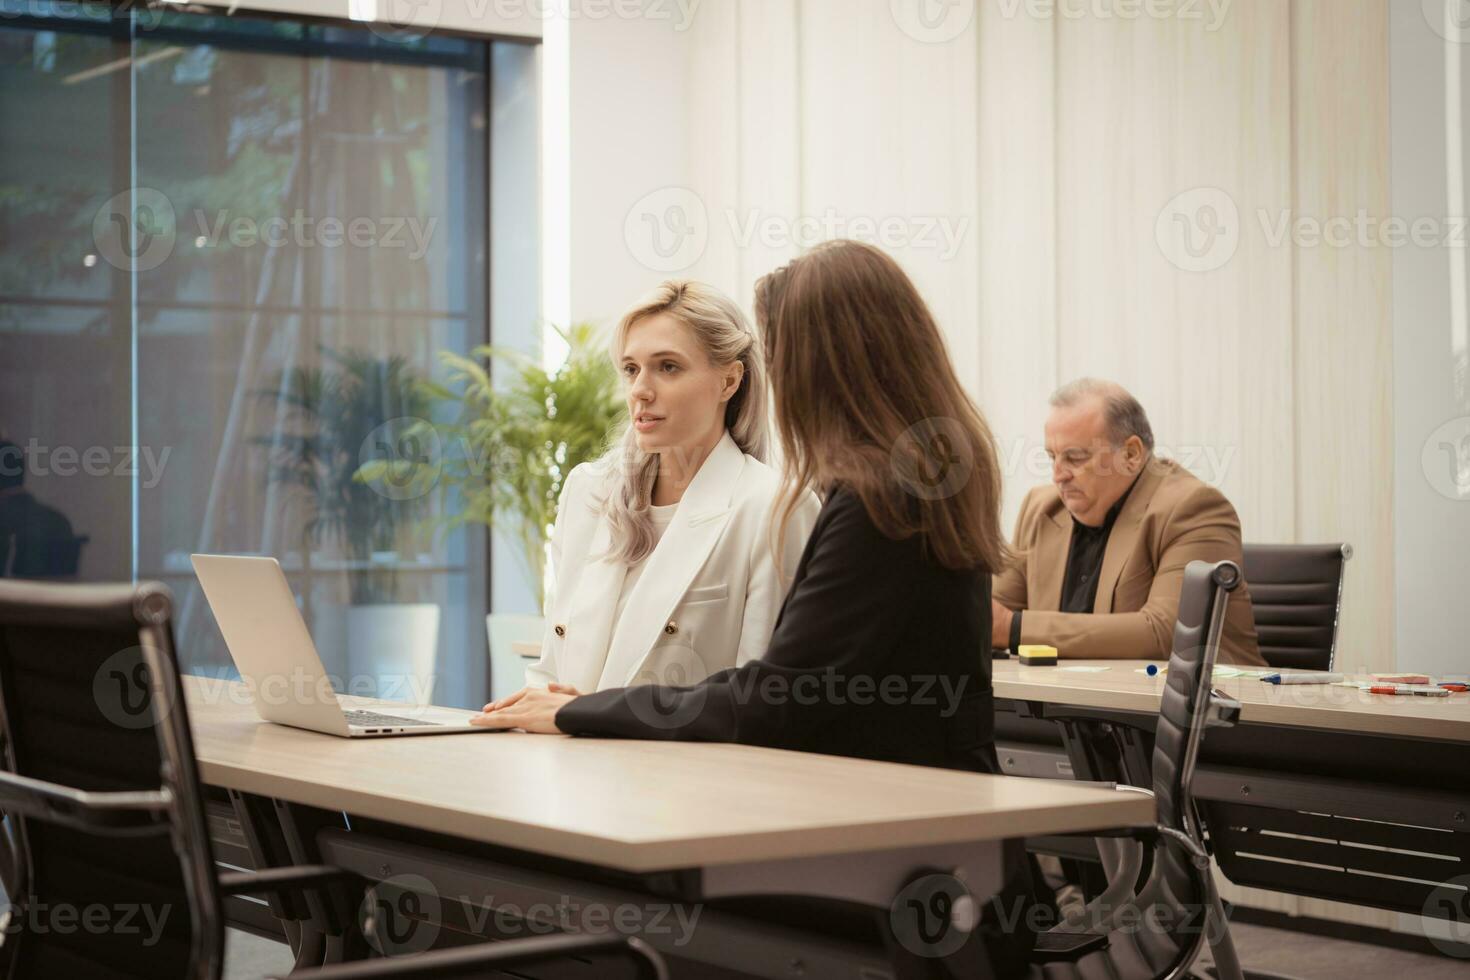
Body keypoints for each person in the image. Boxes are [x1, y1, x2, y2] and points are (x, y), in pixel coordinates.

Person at [474, 241, 1037, 975]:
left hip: (893, 855)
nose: (780, 377)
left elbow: (778, 695)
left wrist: (585, 710)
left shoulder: (873, 500)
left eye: (781, 350)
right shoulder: (907, 479)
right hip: (903, 830)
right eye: (633, 368)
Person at [520, 280, 819, 694]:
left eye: (668, 367)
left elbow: (760, 702)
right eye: (631, 369)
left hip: (685, 760)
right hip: (566, 754)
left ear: (729, 382)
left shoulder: (774, 507)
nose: (640, 390)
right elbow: (550, 672)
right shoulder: (588, 491)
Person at [991, 378, 1263, 665]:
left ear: (1131, 455)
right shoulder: (1041, 508)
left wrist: (1015, 629)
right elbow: (993, 617)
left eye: (1075, 458)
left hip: (1202, 705)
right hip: (1071, 702)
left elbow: (1167, 633)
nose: (1058, 475)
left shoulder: (1194, 508)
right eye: (1052, 457)